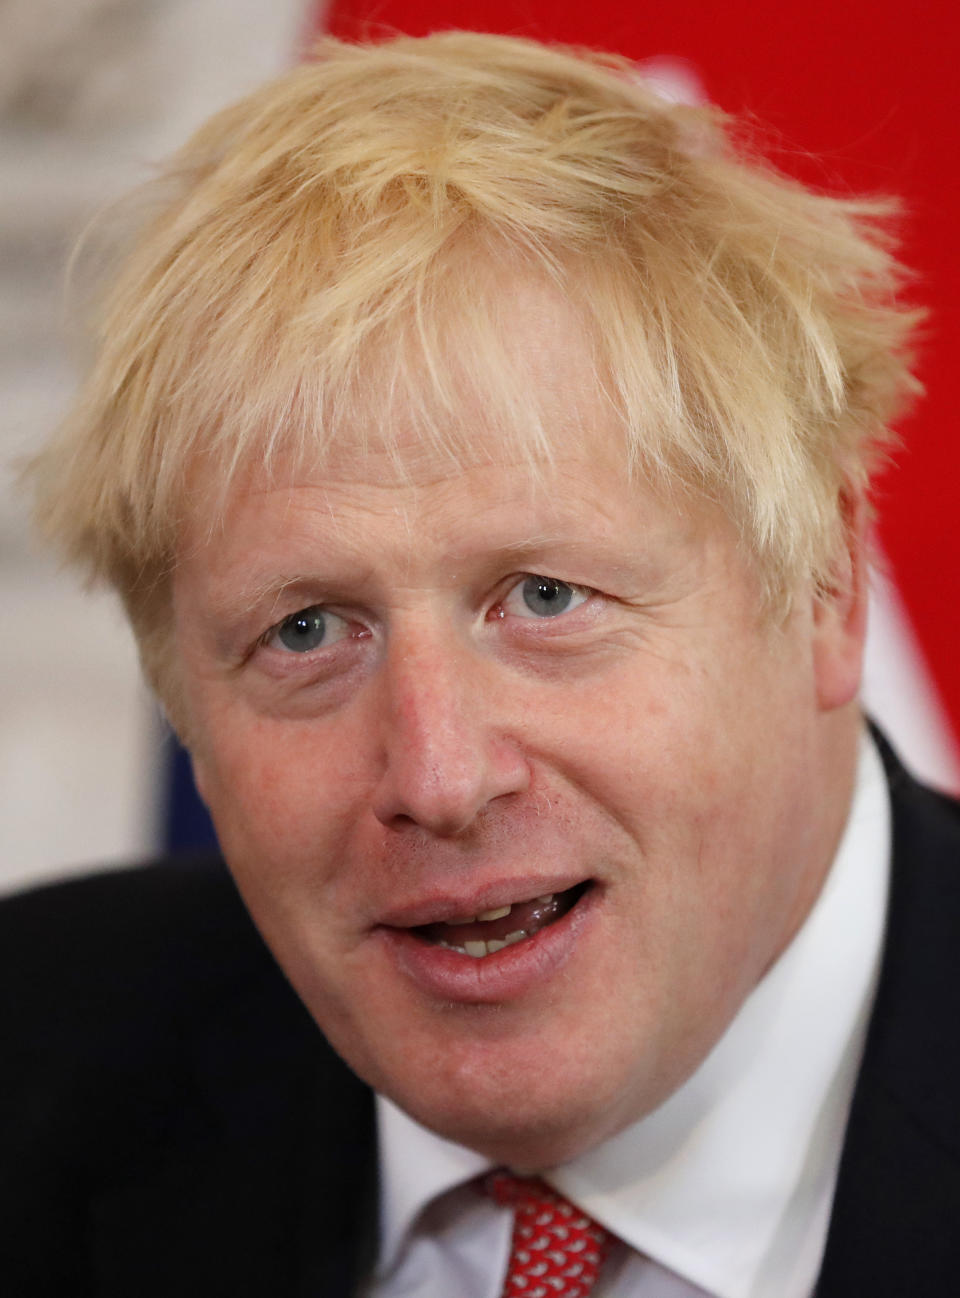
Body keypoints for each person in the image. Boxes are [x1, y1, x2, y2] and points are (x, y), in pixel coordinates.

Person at [4, 29, 958, 1298]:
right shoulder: (30, 1056)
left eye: (546, 598)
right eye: (306, 631)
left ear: (826, 588)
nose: (440, 776)